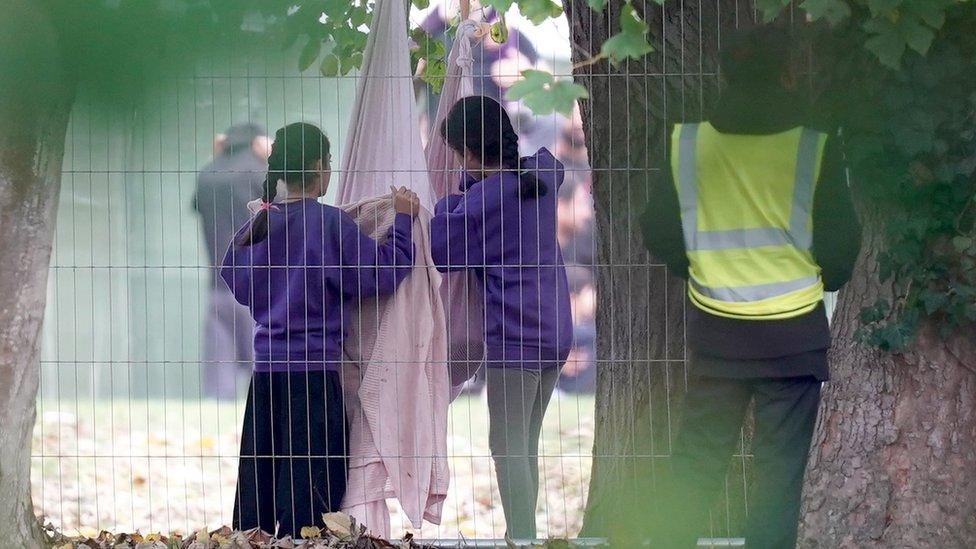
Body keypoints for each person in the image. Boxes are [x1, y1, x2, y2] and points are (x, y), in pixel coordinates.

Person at [640, 26, 862, 548]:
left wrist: (697, 270)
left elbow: (657, 229)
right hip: (794, 336)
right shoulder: (814, 148)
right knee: (779, 478)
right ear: (786, 76)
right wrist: (824, 277)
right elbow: (840, 243)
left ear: (725, 75)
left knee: (694, 468)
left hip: (717, 332)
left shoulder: (686, 143)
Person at [220, 122, 420, 537]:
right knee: (312, 497)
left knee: (262, 489)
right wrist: (402, 221)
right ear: (317, 167)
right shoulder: (329, 225)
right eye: (328, 162)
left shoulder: (261, 224)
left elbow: (232, 274)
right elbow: (383, 272)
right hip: (314, 380)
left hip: (266, 380)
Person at [430, 95, 573, 539]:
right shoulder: (542, 175)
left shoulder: (484, 201)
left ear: (469, 154)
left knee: (506, 448)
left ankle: (522, 538)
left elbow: (442, 250)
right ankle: (523, 534)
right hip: (555, 330)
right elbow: (549, 163)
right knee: (524, 444)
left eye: (457, 154)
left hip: (515, 337)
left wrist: (446, 202)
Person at [194, 123, 271, 399]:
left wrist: (217, 157)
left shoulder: (207, 174)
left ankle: (218, 416)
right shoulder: (259, 172)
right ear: (256, 142)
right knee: (262, 364)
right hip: (257, 285)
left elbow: (196, 205)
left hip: (219, 284)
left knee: (219, 370)